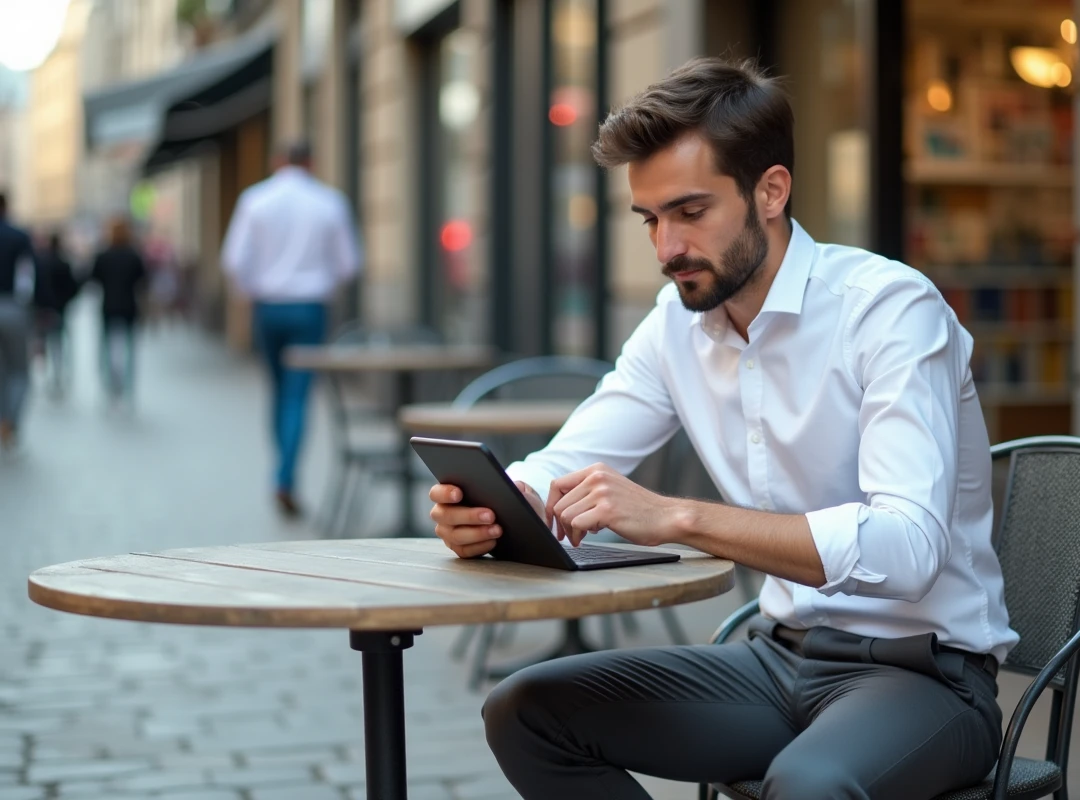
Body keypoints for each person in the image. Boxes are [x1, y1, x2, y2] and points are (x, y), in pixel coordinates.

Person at [428, 59, 1017, 800]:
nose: (665, 247)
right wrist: (493, 506)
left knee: (806, 786)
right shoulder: (675, 326)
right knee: (525, 710)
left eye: (690, 211)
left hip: (926, 679)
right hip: (776, 662)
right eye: (650, 219)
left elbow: (909, 550)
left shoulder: (890, 310)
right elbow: (568, 462)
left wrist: (676, 517)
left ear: (770, 191)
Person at [221, 140, 362, 519]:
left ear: (276, 161)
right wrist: (321, 281)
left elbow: (234, 259)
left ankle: (281, 473)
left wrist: (252, 292)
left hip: (268, 308)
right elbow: (349, 265)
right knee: (297, 396)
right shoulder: (329, 202)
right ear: (312, 162)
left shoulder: (255, 200)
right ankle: (285, 477)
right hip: (310, 309)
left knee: (278, 390)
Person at [89, 218, 147, 406]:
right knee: (130, 348)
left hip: (109, 306)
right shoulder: (133, 255)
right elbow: (142, 280)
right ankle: (128, 386)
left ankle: (110, 384)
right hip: (129, 306)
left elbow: (94, 278)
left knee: (106, 347)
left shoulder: (103, 255)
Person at [0, 190, 34, 452]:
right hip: (12, 306)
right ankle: (9, 421)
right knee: (19, 369)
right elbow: (29, 277)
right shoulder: (19, 237)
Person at [31, 230, 80, 397]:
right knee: (57, 344)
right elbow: (73, 287)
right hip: (58, 309)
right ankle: (57, 374)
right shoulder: (63, 263)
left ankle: (44, 375)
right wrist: (64, 301)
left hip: (43, 309)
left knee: (41, 342)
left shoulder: (40, 262)